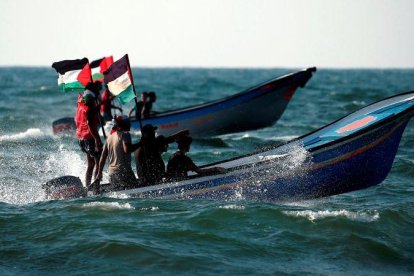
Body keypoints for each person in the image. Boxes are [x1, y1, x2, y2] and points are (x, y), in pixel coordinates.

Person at [96, 115, 141, 191]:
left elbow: (103, 156)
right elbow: (127, 149)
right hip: (123, 172)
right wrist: (141, 143)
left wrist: (99, 172)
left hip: (111, 174)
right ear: (123, 124)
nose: (130, 125)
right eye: (128, 123)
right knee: (136, 191)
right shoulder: (125, 134)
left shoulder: (109, 137)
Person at [75, 81, 103, 187]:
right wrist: (97, 139)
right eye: (98, 89)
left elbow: (87, 115)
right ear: (94, 90)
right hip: (90, 137)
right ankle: (95, 186)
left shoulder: (82, 100)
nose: (100, 91)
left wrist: (97, 108)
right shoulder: (90, 103)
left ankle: (88, 186)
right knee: (98, 162)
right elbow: (90, 123)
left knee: (91, 164)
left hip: (81, 137)